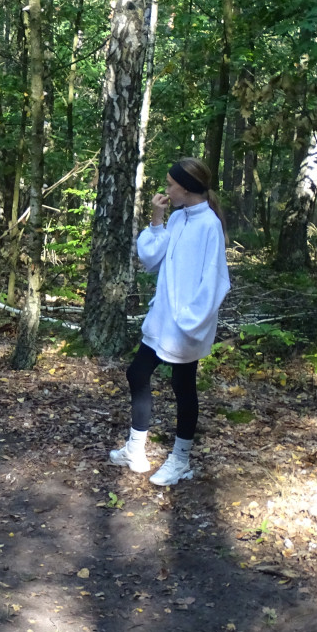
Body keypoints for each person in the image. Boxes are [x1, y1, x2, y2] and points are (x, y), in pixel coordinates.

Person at [108, 158, 231, 486]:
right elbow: (150, 258)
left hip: (188, 323)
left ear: (187, 187)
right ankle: (136, 449)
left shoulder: (209, 225)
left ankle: (180, 459)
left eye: (170, 184)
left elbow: (216, 280)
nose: (165, 189)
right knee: (137, 373)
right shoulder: (178, 219)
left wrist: (191, 321)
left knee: (183, 385)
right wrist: (158, 218)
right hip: (163, 319)